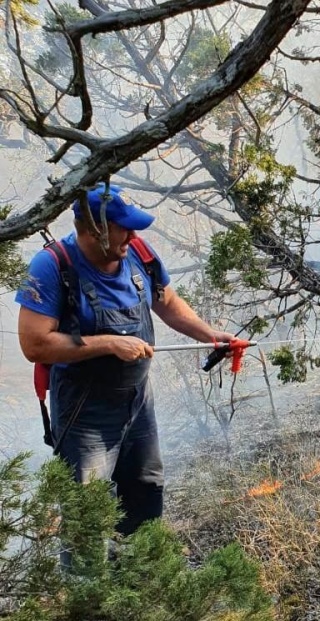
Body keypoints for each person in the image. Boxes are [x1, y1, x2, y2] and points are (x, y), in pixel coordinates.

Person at [15, 183, 233, 536]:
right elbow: (35, 345)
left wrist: (208, 335)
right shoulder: (52, 266)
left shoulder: (138, 253)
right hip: (85, 411)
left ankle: (140, 584)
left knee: (146, 487)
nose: (132, 235)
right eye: (124, 227)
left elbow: (167, 303)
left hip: (137, 402)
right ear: (94, 229)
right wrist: (108, 343)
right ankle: (91, 590)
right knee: (88, 511)